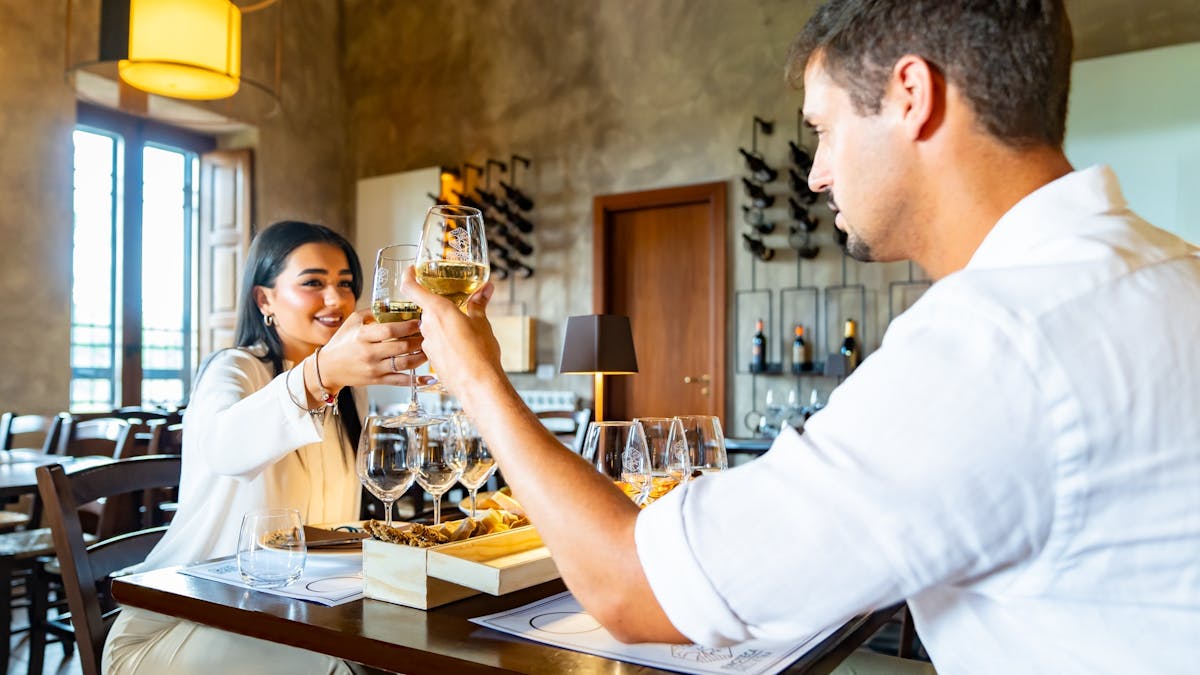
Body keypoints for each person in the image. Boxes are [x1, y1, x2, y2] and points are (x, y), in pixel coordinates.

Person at [405, 1, 1200, 673]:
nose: (816, 174)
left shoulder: (995, 344)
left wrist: (476, 378)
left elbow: (631, 588)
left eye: (823, 128)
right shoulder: (1169, 272)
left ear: (911, 95)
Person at [105, 221, 424, 674]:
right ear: (265, 299)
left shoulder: (349, 392)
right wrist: (320, 375)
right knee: (344, 669)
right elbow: (224, 450)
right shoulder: (233, 369)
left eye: (346, 284)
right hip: (183, 623)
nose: (335, 300)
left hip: (289, 616)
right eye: (313, 282)